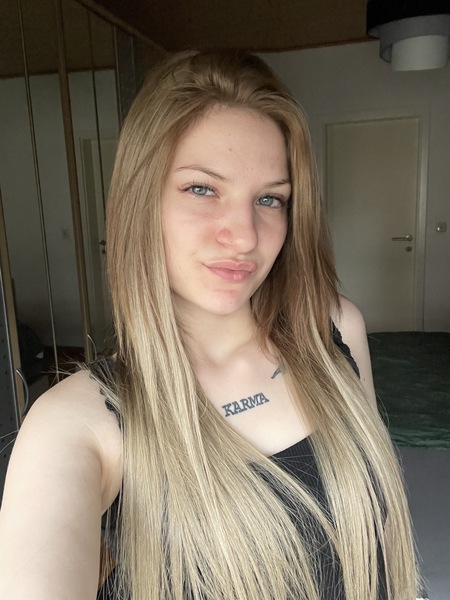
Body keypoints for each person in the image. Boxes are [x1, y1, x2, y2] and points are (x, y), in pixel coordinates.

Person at [0, 51, 419, 600]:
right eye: (202, 189)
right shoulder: (80, 422)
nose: (244, 236)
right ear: (140, 201)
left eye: (269, 198)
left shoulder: (333, 330)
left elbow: (383, 530)